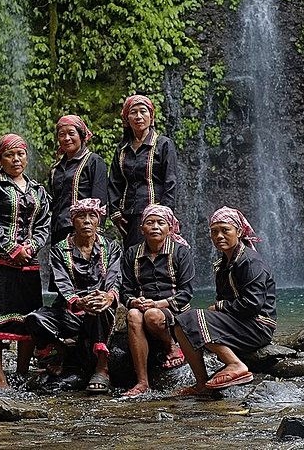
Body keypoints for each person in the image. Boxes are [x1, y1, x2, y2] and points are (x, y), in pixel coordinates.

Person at [0, 133, 51, 388]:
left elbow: (44, 224)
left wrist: (32, 245)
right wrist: (12, 248)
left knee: (27, 317)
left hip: (28, 263)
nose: (16, 160)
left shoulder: (38, 190)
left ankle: (22, 372)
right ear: (0, 159)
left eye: (20, 154)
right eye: (9, 155)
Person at [174, 207, 277, 394]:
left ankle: (236, 365)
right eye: (214, 232)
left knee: (193, 316)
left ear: (239, 231)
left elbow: (253, 305)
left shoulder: (250, 262)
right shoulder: (223, 265)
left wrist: (220, 307)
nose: (219, 236)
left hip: (258, 326)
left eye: (225, 230)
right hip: (241, 323)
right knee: (181, 323)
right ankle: (202, 384)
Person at [24, 198, 121, 393]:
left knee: (99, 308)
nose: (87, 221)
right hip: (71, 311)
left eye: (92, 216)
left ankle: (102, 368)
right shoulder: (60, 249)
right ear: (72, 221)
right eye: (81, 217)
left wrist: (108, 297)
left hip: (99, 309)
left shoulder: (111, 247)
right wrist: (78, 302)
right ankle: (60, 350)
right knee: (35, 319)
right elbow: (62, 284)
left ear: (99, 221)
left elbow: (115, 279)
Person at [120, 204, 194, 396]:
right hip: (144, 307)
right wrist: (134, 301)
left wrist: (158, 304)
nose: (155, 227)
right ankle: (142, 382)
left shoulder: (180, 252)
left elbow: (186, 293)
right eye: (149, 223)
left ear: (170, 228)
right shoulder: (132, 254)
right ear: (141, 228)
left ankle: (171, 345)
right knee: (133, 315)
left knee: (152, 315)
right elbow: (125, 290)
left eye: (161, 223)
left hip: (173, 310)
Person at [108, 95, 178, 249]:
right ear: (127, 118)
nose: (138, 117)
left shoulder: (163, 145)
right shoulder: (122, 149)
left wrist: (164, 214)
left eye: (143, 111)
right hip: (129, 216)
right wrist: (115, 212)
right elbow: (114, 181)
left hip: (155, 215)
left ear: (151, 117)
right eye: (133, 112)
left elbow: (170, 181)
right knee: (133, 256)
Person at [48, 115, 108, 245]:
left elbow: (100, 198)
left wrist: (96, 231)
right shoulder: (56, 168)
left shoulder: (94, 161)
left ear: (81, 136)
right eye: (62, 135)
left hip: (83, 230)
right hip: (58, 229)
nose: (67, 138)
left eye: (71, 133)